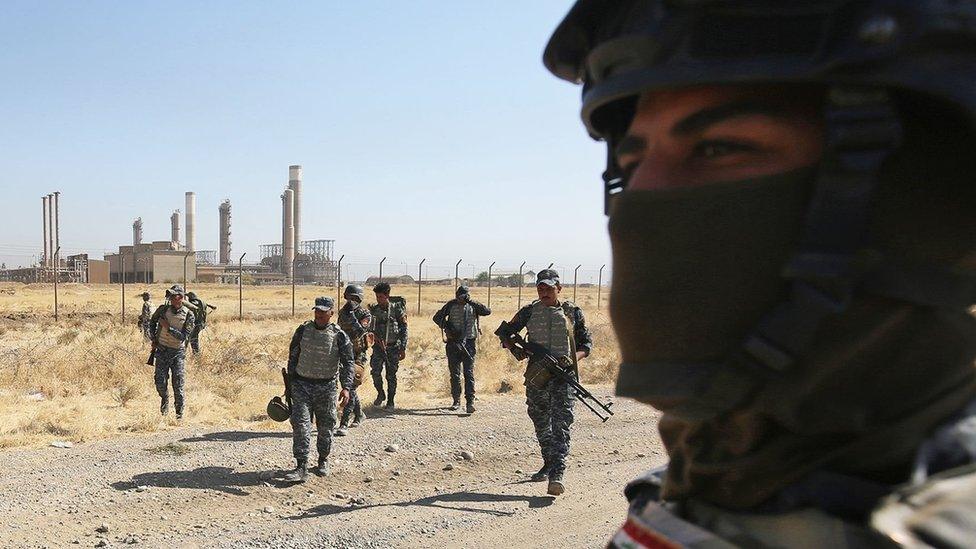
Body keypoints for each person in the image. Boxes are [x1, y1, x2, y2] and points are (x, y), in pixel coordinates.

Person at [543, 1, 976, 545]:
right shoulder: (693, 497)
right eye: (631, 167)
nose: (643, 202)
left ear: (925, 195)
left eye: (718, 147)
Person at [502, 270, 591, 496]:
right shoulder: (529, 311)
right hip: (537, 375)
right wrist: (515, 349)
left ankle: (557, 474)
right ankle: (548, 462)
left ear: (559, 288)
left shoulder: (572, 312)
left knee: (561, 424)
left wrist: (572, 359)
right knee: (541, 421)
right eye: (540, 288)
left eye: (548, 288)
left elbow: (586, 345)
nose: (544, 292)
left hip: (563, 376)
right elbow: (505, 333)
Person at [282, 296, 355, 483]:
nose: (320, 314)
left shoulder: (339, 335)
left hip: (327, 387)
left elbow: (348, 363)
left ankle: (323, 459)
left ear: (332, 312)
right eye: (317, 311)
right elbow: (293, 356)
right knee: (300, 425)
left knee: (326, 426)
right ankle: (301, 466)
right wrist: (290, 384)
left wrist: (346, 387)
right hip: (302, 385)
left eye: (324, 311)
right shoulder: (303, 330)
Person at [433, 285, 491, 413]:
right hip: (453, 343)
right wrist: (448, 327)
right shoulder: (450, 305)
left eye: (463, 296)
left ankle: (470, 402)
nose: (460, 299)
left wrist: (471, 301)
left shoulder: (473, 306)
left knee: (468, 373)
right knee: (455, 374)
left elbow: (487, 311)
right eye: (458, 296)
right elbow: (436, 318)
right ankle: (456, 401)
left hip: (469, 342)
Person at [148, 285, 195, 419]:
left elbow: (184, 336)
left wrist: (168, 328)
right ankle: (165, 402)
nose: (171, 298)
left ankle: (179, 415)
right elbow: (152, 322)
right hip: (162, 351)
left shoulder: (189, 314)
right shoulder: (163, 310)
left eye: (173, 296)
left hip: (177, 354)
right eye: (170, 296)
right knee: (160, 383)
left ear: (180, 297)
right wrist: (153, 338)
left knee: (178, 385)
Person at [336, 284, 372, 435]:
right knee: (348, 386)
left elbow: (360, 330)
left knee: (350, 386)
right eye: (349, 298)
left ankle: (344, 423)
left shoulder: (365, 314)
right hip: (344, 354)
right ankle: (359, 414)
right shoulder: (342, 312)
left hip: (358, 355)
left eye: (354, 298)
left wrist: (351, 314)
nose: (350, 301)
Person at [368, 282, 408, 410]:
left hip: (393, 348)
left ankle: (391, 401)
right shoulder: (374, 310)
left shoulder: (396, 308)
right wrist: (376, 338)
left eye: (381, 297)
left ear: (387, 296)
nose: (378, 300)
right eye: (377, 297)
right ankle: (380, 393)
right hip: (379, 348)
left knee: (391, 375)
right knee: (375, 372)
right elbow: (370, 329)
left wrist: (403, 347)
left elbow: (404, 328)